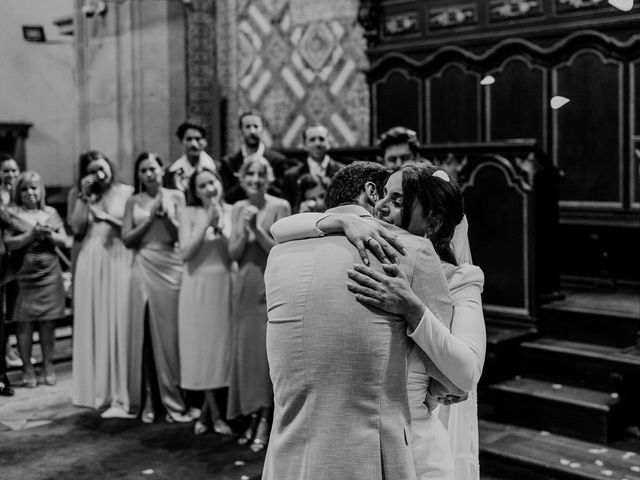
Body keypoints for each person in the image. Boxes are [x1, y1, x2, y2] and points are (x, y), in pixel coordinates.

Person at [270, 163, 485, 480]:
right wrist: (343, 219)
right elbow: (281, 228)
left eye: (398, 201)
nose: (381, 206)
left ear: (433, 221)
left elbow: (465, 373)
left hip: (418, 447)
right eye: (384, 194)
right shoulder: (370, 252)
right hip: (366, 439)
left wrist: (411, 308)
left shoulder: (461, 277)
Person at [227, 156, 291, 452]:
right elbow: (233, 254)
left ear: (268, 177)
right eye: (249, 173)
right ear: (241, 177)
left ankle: (267, 417)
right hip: (245, 285)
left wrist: (255, 228)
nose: (254, 178)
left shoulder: (280, 206)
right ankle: (252, 414)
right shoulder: (237, 208)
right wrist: (243, 227)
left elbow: (280, 251)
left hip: (271, 283)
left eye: (260, 173)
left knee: (268, 356)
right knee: (248, 355)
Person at [122, 152, 191, 423]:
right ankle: (149, 397)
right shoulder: (133, 201)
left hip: (171, 266)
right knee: (146, 336)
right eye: (143, 170)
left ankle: (175, 396)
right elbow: (127, 239)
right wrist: (151, 219)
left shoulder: (177, 197)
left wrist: (167, 219)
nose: (149, 174)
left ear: (162, 170)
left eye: (153, 168)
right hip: (143, 266)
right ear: (139, 175)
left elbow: (181, 236)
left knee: (172, 337)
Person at [69, 151, 134, 417]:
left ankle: (120, 386)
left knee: (117, 318)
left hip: (118, 255)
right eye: (92, 170)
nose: (99, 174)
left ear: (110, 166)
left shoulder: (126, 192)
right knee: (93, 320)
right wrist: (84, 197)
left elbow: (130, 227)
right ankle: (95, 387)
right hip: (91, 258)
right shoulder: (81, 194)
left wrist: (107, 218)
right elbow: (76, 228)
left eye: (102, 167)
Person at [178, 168, 234, 435]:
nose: (209, 188)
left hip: (225, 282)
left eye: (212, 182)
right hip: (197, 285)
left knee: (222, 349)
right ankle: (215, 413)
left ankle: (209, 413)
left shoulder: (234, 210)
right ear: (195, 192)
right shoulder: (189, 214)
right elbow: (186, 253)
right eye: (202, 186)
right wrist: (205, 224)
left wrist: (221, 228)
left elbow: (233, 253)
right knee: (203, 349)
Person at [3, 171, 70, 387]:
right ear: (18, 192)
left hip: (50, 273)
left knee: (48, 324)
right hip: (22, 275)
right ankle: (27, 367)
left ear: (41, 190)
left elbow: (64, 240)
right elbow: (9, 243)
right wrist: (31, 235)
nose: (30, 192)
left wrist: (50, 235)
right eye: (24, 188)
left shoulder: (50, 212)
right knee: (24, 325)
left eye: (34, 188)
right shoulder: (11, 214)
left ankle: (48, 365)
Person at [222, 111, 291, 204]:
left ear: (262, 129)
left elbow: (282, 195)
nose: (252, 131)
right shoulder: (229, 162)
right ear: (240, 131)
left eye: (256, 126)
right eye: (247, 127)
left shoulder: (278, 160)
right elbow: (227, 198)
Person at [281, 123, 345, 205]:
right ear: (304, 145)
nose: (317, 144)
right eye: (312, 140)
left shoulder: (342, 172)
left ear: (329, 143)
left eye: (321, 139)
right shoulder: (291, 176)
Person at [167, 120, 229, 198]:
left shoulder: (218, 169)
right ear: (182, 141)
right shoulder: (171, 172)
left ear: (205, 142)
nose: (194, 144)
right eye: (189, 139)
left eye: (197, 139)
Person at [1, 154, 23, 371]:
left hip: (18, 258)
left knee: (14, 308)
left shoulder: (22, 193)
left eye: (14, 170)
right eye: (6, 170)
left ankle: (11, 348)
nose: (11, 174)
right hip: (2, 256)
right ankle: (5, 351)